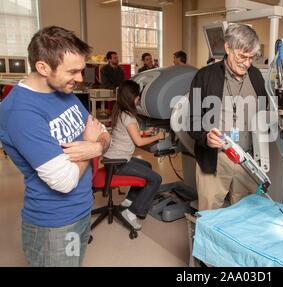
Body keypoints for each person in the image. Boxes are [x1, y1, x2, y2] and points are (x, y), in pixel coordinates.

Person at [0, 26, 111, 266]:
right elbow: (65, 180)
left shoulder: (62, 90)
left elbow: (104, 133)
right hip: (54, 225)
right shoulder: (21, 112)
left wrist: (97, 145)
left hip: (81, 210)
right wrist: (92, 144)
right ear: (42, 67)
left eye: (81, 70)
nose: (80, 79)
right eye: (73, 71)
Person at [188, 23, 268, 211]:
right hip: (216, 159)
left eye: (251, 58)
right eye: (242, 56)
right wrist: (205, 137)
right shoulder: (205, 76)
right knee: (210, 214)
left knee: (244, 215)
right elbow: (192, 119)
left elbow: (265, 112)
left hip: (246, 159)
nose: (247, 63)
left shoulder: (256, 76)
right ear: (227, 48)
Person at [103, 80, 165, 230]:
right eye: (137, 96)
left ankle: (129, 201)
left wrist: (144, 132)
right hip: (118, 162)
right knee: (156, 179)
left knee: (147, 165)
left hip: (112, 158)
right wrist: (158, 136)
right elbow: (139, 142)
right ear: (132, 97)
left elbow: (128, 133)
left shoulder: (120, 111)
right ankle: (132, 212)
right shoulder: (129, 117)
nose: (138, 99)